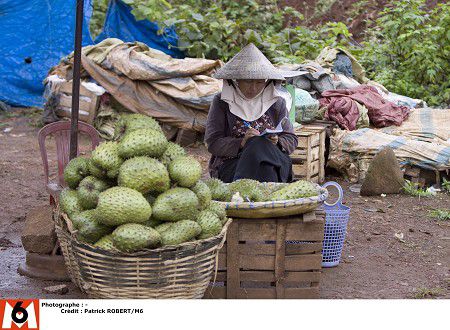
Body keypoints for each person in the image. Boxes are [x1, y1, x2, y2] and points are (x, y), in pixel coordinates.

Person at [204, 43, 298, 183]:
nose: (253, 88)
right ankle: (266, 195)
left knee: (260, 146)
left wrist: (277, 142)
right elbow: (212, 142)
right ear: (237, 80)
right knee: (256, 147)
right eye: (248, 82)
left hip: (272, 161)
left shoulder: (276, 103)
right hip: (234, 166)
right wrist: (242, 143)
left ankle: (240, 194)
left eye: (259, 82)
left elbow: (291, 138)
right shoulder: (222, 101)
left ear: (266, 82)